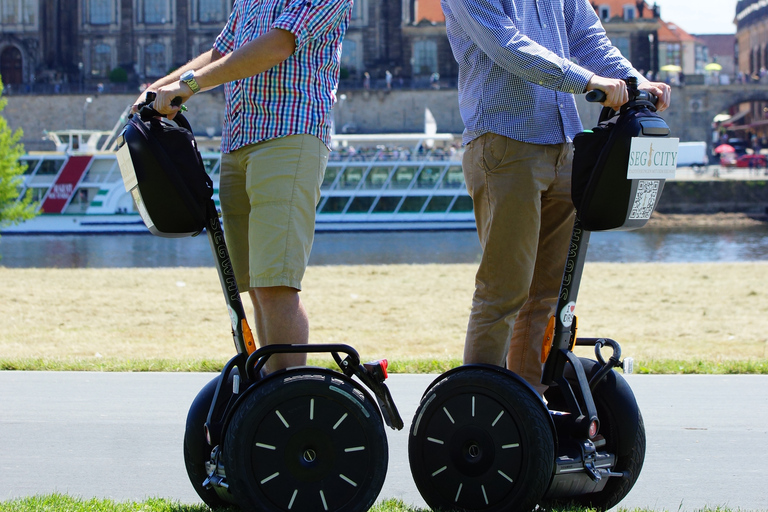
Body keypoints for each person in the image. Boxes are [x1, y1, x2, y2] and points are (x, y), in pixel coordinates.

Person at [441, 0, 671, 395]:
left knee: (548, 295)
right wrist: (587, 82)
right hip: (503, 142)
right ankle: (479, 408)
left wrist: (634, 81)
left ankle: (529, 410)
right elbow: (506, 45)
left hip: (564, 145)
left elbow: (588, 39)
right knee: (504, 291)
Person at [132, 0, 353, 373]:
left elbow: (280, 43)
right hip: (239, 139)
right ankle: (271, 393)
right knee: (255, 286)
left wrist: (189, 86)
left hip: (289, 134)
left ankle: (289, 398)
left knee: (276, 284)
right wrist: (160, 87)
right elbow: (222, 52)